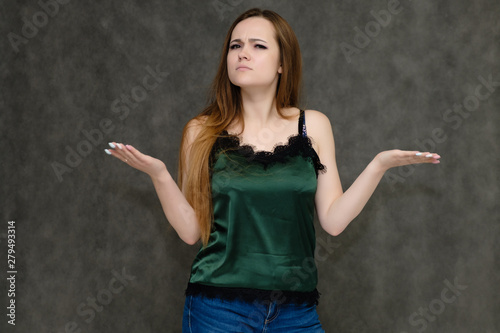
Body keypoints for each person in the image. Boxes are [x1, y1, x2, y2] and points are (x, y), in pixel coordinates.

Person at [104, 7, 440, 332]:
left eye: (258, 46)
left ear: (283, 63)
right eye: (235, 46)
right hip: (218, 309)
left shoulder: (314, 126)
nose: (242, 54)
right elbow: (192, 231)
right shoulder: (201, 131)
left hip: (296, 312)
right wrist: (160, 175)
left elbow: (334, 222)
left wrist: (379, 165)